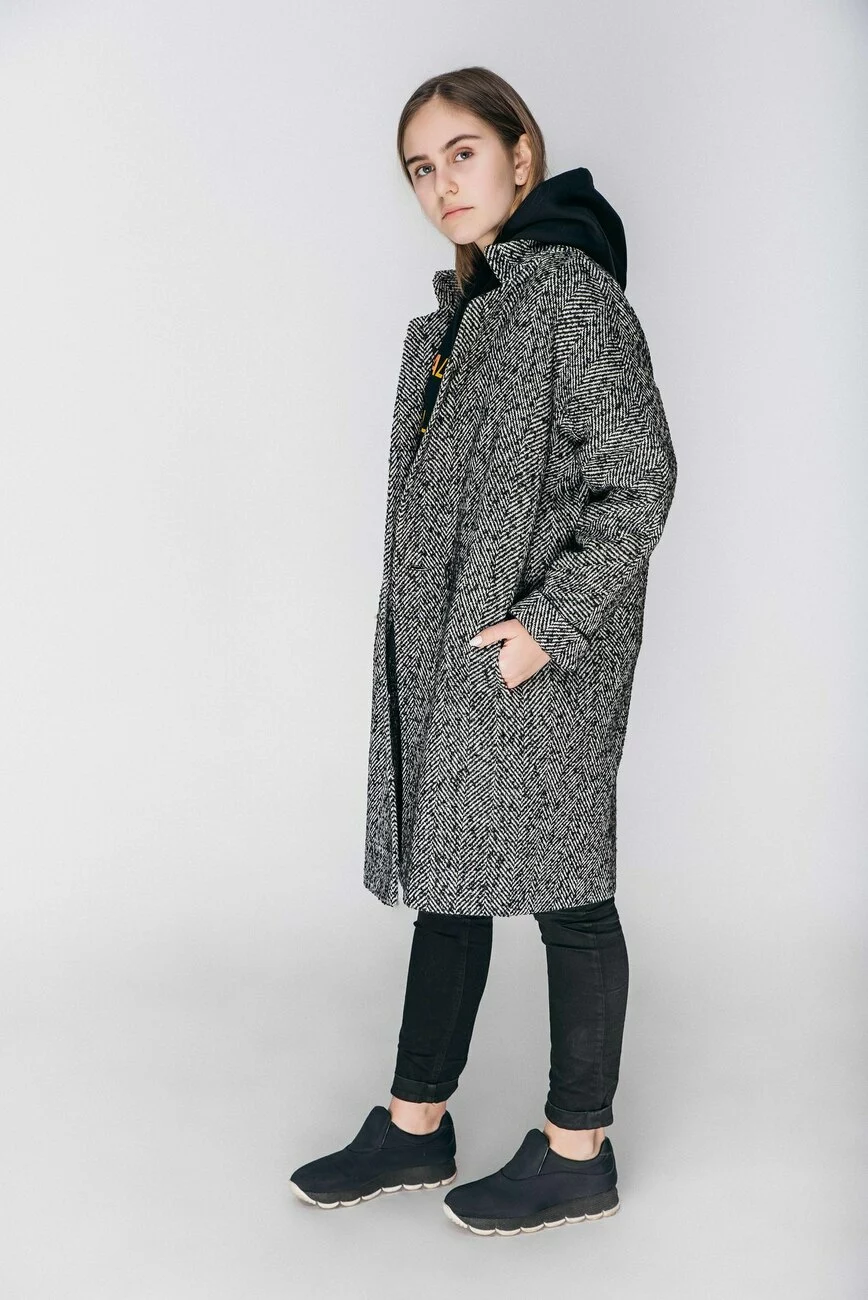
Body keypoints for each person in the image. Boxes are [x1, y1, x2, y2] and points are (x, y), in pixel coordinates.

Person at [290, 65, 677, 1237]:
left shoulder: (571, 299)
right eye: (420, 167)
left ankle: (576, 1149)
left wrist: (546, 629)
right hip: (452, 656)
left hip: (541, 659)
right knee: (447, 887)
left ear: (521, 154)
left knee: (571, 895)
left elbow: (638, 480)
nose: (440, 184)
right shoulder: (459, 318)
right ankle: (415, 1122)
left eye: (461, 152)